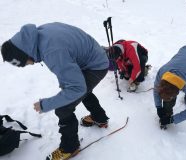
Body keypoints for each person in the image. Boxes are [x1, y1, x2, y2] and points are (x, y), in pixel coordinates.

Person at [1, 22, 110, 160]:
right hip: (91, 56)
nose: (29, 64)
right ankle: (99, 118)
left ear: (23, 54)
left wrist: (45, 104)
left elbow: (77, 88)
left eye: (25, 63)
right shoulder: (38, 35)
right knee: (82, 92)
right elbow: (68, 62)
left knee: (63, 107)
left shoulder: (52, 51)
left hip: (96, 65)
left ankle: (70, 147)